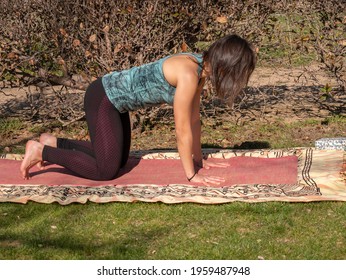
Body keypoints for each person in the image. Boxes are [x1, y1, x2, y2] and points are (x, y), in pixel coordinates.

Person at [20, 34, 256, 185]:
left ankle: (54, 142)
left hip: (117, 104)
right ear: (227, 66)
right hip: (103, 98)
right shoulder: (188, 73)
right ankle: (42, 152)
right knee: (106, 171)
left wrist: (198, 159)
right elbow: (182, 131)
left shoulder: (199, 70)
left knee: (118, 160)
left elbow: (194, 121)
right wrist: (192, 175)